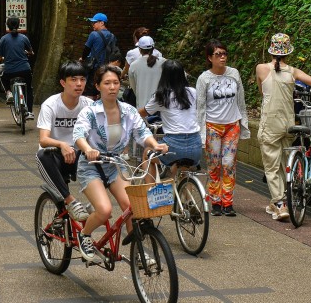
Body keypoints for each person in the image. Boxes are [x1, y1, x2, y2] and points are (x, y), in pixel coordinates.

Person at [72, 65, 168, 263]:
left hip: (115, 164)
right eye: (107, 83)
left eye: (116, 82)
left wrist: (155, 144)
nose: (112, 87)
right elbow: (79, 135)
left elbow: (142, 133)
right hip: (91, 165)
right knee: (105, 211)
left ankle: (138, 252)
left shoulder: (128, 110)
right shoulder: (90, 112)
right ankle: (85, 235)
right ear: (98, 86)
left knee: (132, 207)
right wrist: (87, 149)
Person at [255, 33, 311, 221]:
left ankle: (280, 203)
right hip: (289, 122)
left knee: (271, 165)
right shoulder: (293, 71)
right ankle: (280, 199)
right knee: (286, 163)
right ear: (288, 53)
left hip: (270, 122)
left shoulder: (261, 68)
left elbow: (262, 92)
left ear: (271, 50)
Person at [195, 39, 250, 217]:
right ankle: (215, 201)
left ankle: (228, 202)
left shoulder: (234, 74)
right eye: (218, 54)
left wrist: (244, 122)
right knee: (214, 164)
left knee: (228, 164)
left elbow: (240, 101)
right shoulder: (204, 79)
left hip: (232, 125)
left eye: (224, 53)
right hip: (212, 126)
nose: (222, 58)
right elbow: (200, 107)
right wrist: (201, 132)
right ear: (210, 57)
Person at [36, 61, 93, 221]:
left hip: (78, 155)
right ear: (63, 82)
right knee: (42, 155)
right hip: (54, 156)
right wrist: (62, 144)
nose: (79, 84)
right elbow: (44, 139)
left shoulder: (89, 105)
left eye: (82, 79)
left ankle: (93, 202)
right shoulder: (50, 105)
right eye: (73, 79)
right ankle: (71, 201)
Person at [141, 59, 201, 171]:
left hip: (173, 146)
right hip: (195, 146)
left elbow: (142, 113)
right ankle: (182, 185)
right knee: (182, 167)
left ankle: (150, 188)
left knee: (147, 152)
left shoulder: (161, 96)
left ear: (164, 76)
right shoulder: (193, 92)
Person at [0, 16, 34, 118]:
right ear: (19, 25)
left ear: (7, 26)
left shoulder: (3, 39)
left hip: (10, 71)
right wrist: (27, 52)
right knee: (29, 89)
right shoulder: (24, 38)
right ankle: (29, 112)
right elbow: (31, 52)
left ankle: (8, 92)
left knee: (2, 77)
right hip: (25, 69)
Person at [81, 13, 120, 94]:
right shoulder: (112, 36)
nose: (92, 25)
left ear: (102, 23)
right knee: (103, 90)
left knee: (90, 91)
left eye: (94, 22)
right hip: (106, 68)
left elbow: (86, 50)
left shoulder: (93, 34)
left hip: (94, 67)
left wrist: (83, 58)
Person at [127, 35, 163, 109]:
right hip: (160, 105)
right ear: (153, 48)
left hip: (142, 107)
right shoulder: (163, 62)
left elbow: (134, 87)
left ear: (140, 49)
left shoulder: (134, 65)